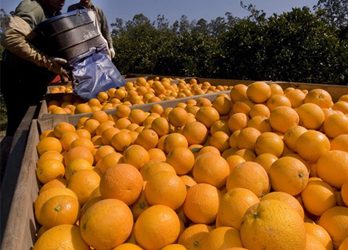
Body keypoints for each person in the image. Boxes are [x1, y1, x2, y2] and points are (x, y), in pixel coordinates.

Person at [0, 0, 68, 136]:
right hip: (18, 79)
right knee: (19, 127)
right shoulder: (33, 7)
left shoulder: (53, 12)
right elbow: (11, 38)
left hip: (32, 80)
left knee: (30, 123)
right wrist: (47, 62)